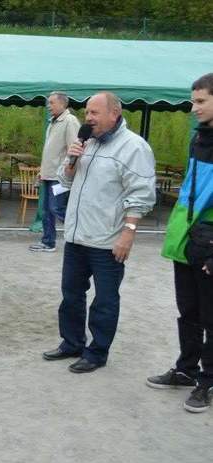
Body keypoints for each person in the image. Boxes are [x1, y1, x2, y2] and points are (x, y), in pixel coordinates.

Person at [42, 92, 156, 373]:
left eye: (94, 113)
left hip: (108, 241)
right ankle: (72, 343)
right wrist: (71, 160)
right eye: (87, 113)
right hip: (76, 236)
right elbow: (64, 180)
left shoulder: (134, 147)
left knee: (105, 300)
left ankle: (97, 353)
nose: (88, 118)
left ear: (114, 114)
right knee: (71, 294)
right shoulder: (86, 142)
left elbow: (141, 195)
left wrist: (128, 233)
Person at [151, 73, 213, 413]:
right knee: (188, 311)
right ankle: (187, 369)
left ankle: (208, 381)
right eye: (193, 101)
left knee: (210, 317)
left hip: (210, 244)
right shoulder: (198, 138)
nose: (194, 108)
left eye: (201, 101)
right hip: (188, 240)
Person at [29, 91, 81, 252]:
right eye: (48, 102)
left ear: (62, 104)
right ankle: (48, 242)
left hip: (60, 176)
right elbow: (50, 151)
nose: (48, 106)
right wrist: (42, 171)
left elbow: (75, 149)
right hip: (48, 174)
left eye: (52, 103)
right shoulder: (53, 122)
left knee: (56, 208)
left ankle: (82, 233)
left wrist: (67, 170)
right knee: (46, 211)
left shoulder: (70, 121)